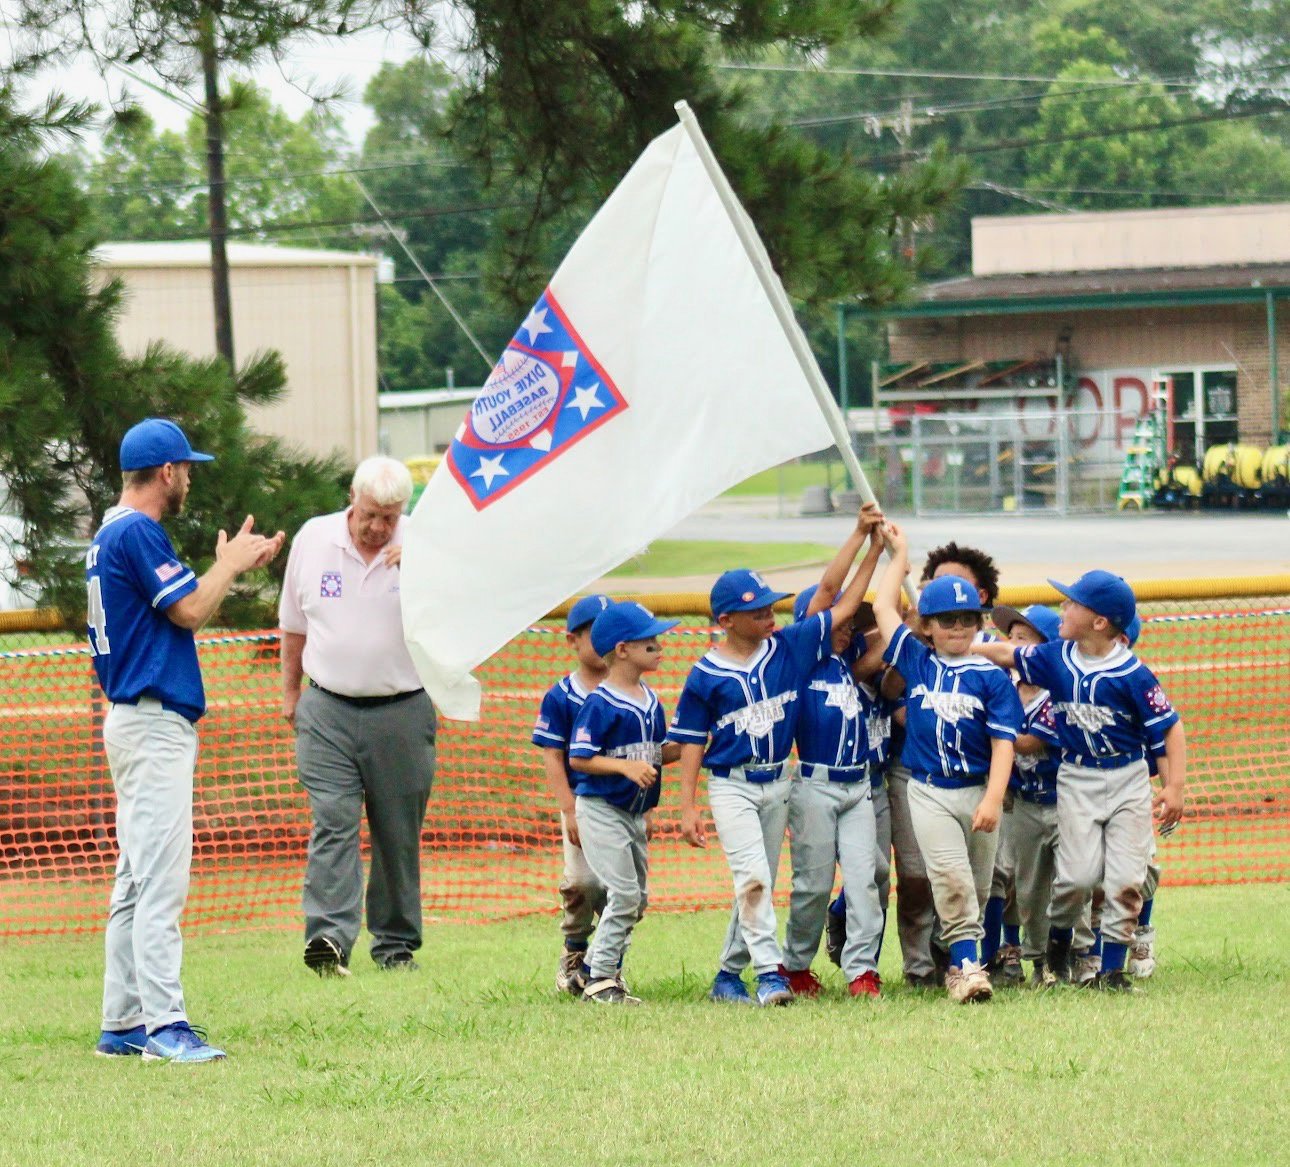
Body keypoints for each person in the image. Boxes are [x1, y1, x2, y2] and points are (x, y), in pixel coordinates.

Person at [89, 418, 284, 1063]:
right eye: (187, 467)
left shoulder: (109, 531)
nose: (190, 477)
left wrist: (229, 567)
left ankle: (122, 1022)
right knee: (161, 882)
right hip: (150, 720)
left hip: (133, 716)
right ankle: (163, 1026)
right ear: (166, 472)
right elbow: (189, 611)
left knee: (135, 880)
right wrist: (227, 564)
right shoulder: (140, 530)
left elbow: (177, 608)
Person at [669, 507, 877, 1007]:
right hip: (733, 783)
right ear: (726, 620)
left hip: (779, 782)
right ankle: (769, 975)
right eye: (758, 611)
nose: (770, 616)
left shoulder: (786, 648)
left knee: (758, 880)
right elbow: (693, 742)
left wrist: (866, 544)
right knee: (754, 877)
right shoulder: (705, 675)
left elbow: (838, 600)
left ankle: (727, 974)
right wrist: (688, 805)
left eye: (770, 607)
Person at [972, 571, 1186, 991]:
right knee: (1077, 879)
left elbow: (1171, 727)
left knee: (1126, 878)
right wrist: (963, 646)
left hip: (1127, 778)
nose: (1063, 609)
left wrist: (1174, 786)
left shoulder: (1132, 674)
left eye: (1072, 604)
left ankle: (1111, 970)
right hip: (1077, 777)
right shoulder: (1057, 657)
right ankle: (1057, 943)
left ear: (1100, 622)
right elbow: (1007, 655)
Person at [280, 456, 437, 976]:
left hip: (402, 706)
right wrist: (291, 694)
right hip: (326, 707)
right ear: (352, 497)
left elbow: (451, 616)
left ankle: (395, 945)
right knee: (333, 820)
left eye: (389, 518)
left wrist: (419, 572)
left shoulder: (425, 545)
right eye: (370, 514)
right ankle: (328, 938)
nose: (377, 527)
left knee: (397, 832)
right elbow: (293, 625)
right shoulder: (313, 539)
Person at [872, 524, 1023, 1004]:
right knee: (951, 878)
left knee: (974, 889)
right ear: (927, 625)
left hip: (977, 789)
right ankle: (966, 970)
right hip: (929, 790)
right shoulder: (917, 660)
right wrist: (899, 555)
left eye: (967, 619)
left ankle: (953, 952)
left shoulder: (991, 677)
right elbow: (882, 606)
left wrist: (995, 799)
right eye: (946, 620)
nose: (958, 628)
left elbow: (1004, 744)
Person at [779, 510, 887, 1000]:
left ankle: (861, 969)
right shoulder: (798, 659)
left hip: (857, 784)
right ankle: (796, 965)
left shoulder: (847, 666)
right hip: (816, 785)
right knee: (813, 884)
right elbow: (829, 593)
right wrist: (861, 537)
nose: (846, 628)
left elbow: (889, 625)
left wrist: (883, 555)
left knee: (865, 881)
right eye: (838, 623)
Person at [567, 601, 679, 1004]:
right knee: (625, 894)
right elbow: (579, 757)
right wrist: (626, 768)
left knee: (638, 900)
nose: (658, 647)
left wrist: (694, 743)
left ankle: (588, 969)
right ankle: (602, 980)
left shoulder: (650, 699)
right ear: (622, 650)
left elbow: (657, 752)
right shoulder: (600, 702)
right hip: (601, 810)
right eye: (648, 643)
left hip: (633, 815)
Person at [532, 594, 613, 994]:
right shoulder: (561, 696)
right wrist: (568, 810)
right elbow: (552, 755)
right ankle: (575, 949)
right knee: (582, 884)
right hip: (583, 804)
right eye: (593, 634)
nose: (604, 642)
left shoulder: (634, 693)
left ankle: (607, 967)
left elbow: (645, 752)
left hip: (623, 807)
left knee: (622, 892)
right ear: (572, 641)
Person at [989, 603, 1063, 986]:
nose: (1011, 645)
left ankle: (1077, 955)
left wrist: (994, 736)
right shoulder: (1007, 689)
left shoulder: (1055, 696)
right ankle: (1038, 962)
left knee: (1069, 884)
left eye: (1023, 639)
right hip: (1024, 805)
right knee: (1030, 889)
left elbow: (1029, 743)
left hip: (1063, 804)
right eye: (1011, 637)